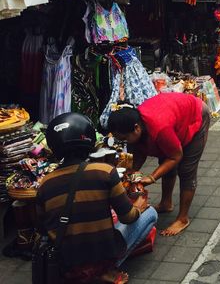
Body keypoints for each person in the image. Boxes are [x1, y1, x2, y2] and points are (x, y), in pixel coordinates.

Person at [37, 113, 157, 284]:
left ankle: (85, 272)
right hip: (103, 258)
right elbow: (128, 217)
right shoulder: (104, 171)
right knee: (151, 213)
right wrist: (138, 207)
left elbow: (43, 228)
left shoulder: (45, 183)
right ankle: (105, 270)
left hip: (66, 265)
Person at [107, 92, 211, 236]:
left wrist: (152, 177)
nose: (125, 142)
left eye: (125, 138)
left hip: (196, 114)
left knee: (186, 169)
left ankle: (183, 218)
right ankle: (166, 203)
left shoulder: (160, 128)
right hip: (172, 115)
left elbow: (176, 156)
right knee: (165, 159)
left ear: (137, 128)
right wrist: (128, 175)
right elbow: (138, 153)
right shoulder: (137, 127)